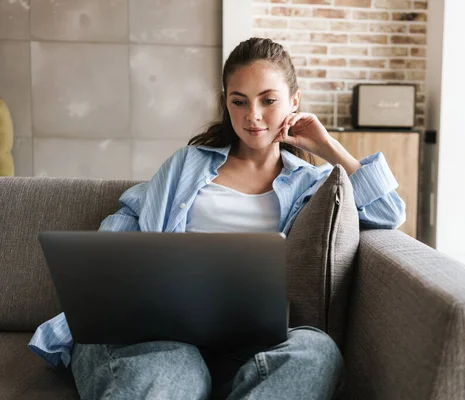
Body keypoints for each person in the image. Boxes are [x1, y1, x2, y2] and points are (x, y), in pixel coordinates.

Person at [28, 37, 406, 400]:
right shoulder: (188, 165)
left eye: (268, 100)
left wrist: (329, 147)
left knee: (317, 351)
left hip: (245, 346)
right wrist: (108, 279)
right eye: (239, 101)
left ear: (295, 101)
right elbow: (131, 217)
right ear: (226, 103)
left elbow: (388, 214)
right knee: (176, 370)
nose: (253, 116)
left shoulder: (314, 183)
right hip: (157, 336)